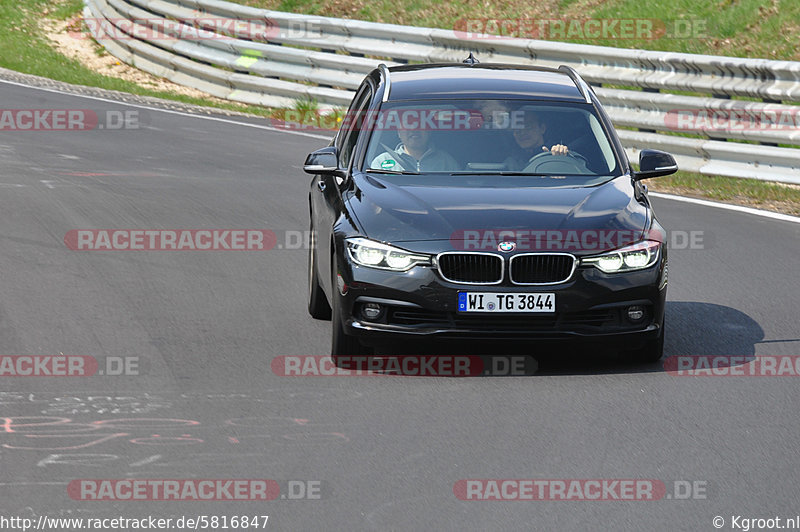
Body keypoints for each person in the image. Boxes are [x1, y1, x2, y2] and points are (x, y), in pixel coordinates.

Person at [503, 110, 573, 171]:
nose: (522, 133)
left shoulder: (556, 151)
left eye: (528, 127)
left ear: (542, 128)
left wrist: (560, 158)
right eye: (517, 129)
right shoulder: (510, 160)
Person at [370, 128, 458, 172]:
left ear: (429, 132)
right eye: (408, 125)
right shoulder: (381, 161)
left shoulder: (446, 161)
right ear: (399, 133)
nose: (414, 130)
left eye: (420, 125)